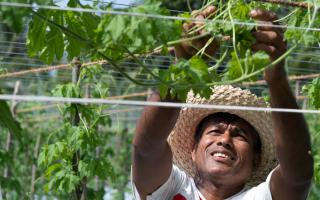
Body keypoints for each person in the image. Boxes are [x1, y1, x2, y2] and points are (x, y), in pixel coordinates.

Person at [132, 6, 314, 200]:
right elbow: (146, 149)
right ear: (193, 150)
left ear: (256, 158)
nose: (224, 140)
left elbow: (297, 177)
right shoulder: (173, 188)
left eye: (239, 135)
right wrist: (184, 68)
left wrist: (277, 78)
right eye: (214, 131)